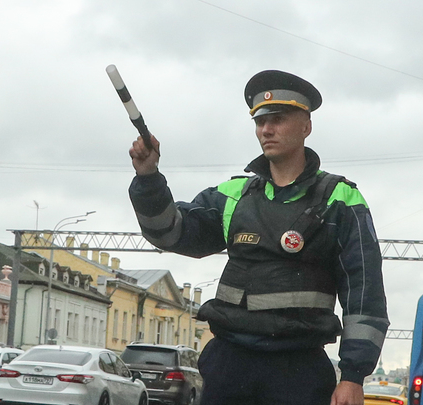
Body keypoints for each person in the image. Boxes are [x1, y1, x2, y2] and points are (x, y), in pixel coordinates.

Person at [128, 70, 389, 405]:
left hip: (299, 369)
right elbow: (169, 233)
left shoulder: (340, 200)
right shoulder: (233, 196)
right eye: (260, 121)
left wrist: (353, 377)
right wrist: (148, 177)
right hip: (228, 363)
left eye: (278, 119)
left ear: (306, 126)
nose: (266, 130)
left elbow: (365, 294)